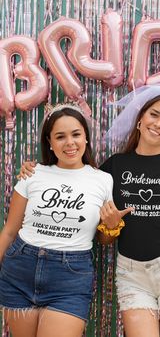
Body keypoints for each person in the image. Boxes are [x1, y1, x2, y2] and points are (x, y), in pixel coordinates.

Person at [17, 85, 160, 337]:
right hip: (132, 274)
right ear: (140, 118)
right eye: (154, 115)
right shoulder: (113, 166)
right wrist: (33, 170)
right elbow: (97, 222)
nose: (158, 124)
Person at [0, 104, 123, 337]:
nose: (69, 143)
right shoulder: (32, 174)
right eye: (60, 136)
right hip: (20, 269)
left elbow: (104, 240)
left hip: (70, 278)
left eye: (76, 134)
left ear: (86, 138)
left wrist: (112, 225)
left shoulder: (103, 180)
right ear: (50, 142)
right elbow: (9, 231)